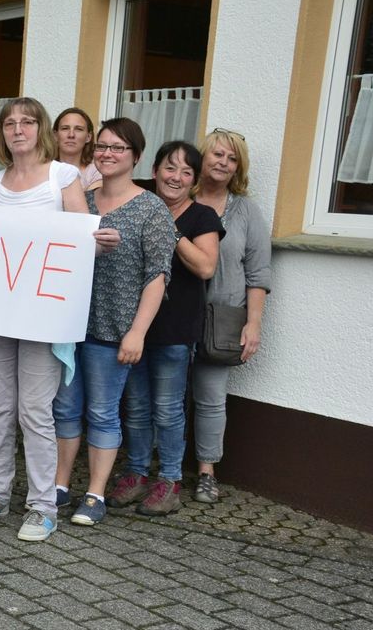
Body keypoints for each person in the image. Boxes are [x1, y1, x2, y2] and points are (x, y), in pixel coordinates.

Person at [0, 97, 115, 541]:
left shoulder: (61, 177)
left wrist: (101, 241)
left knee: (35, 412)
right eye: (10, 123)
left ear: (40, 128)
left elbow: (81, 237)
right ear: (2, 133)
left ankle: (43, 507)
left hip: (43, 317)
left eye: (27, 122)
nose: (18, 129)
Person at [57, 117, 176, 528]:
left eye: (118, 147)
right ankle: (59, 486)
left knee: (103, 413)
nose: (107, 154)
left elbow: (157, 276)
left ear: (136, 156)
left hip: (114, 330)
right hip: (69, 326)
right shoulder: (80, 201)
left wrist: (137, 332)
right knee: (64, 408)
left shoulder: (151, 209)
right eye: (103, 146)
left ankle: (95, 494)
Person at [108, 141, 223, 516]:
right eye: (170, 168)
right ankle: (137, 474)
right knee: (136, 406)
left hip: (175, 330)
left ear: (194, 181)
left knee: (168, 409)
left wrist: (168, 230)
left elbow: (205, 267)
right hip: (133, 326)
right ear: (155, 171)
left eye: (186, 172)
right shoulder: (138, 204)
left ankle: (170, 481)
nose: (176, 177)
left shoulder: (202, 216)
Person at [189, 128, 271, 505]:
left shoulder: (245, 211)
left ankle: (207, 472)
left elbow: (258, 272)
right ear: (202, 157)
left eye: (232, 158)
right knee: (163, 394)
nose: (223, 162)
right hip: (173, 314)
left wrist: (253, 323)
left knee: (210, 397)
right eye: (217, 154)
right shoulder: (180, 198)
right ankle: (159, 469)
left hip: (221, 319)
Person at [53, 107, 101, 190]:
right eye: (65, 128)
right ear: (55, 135)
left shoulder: (95, 173)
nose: (71, 135)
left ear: (88, 137)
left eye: (78, 129)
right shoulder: (43, 169)